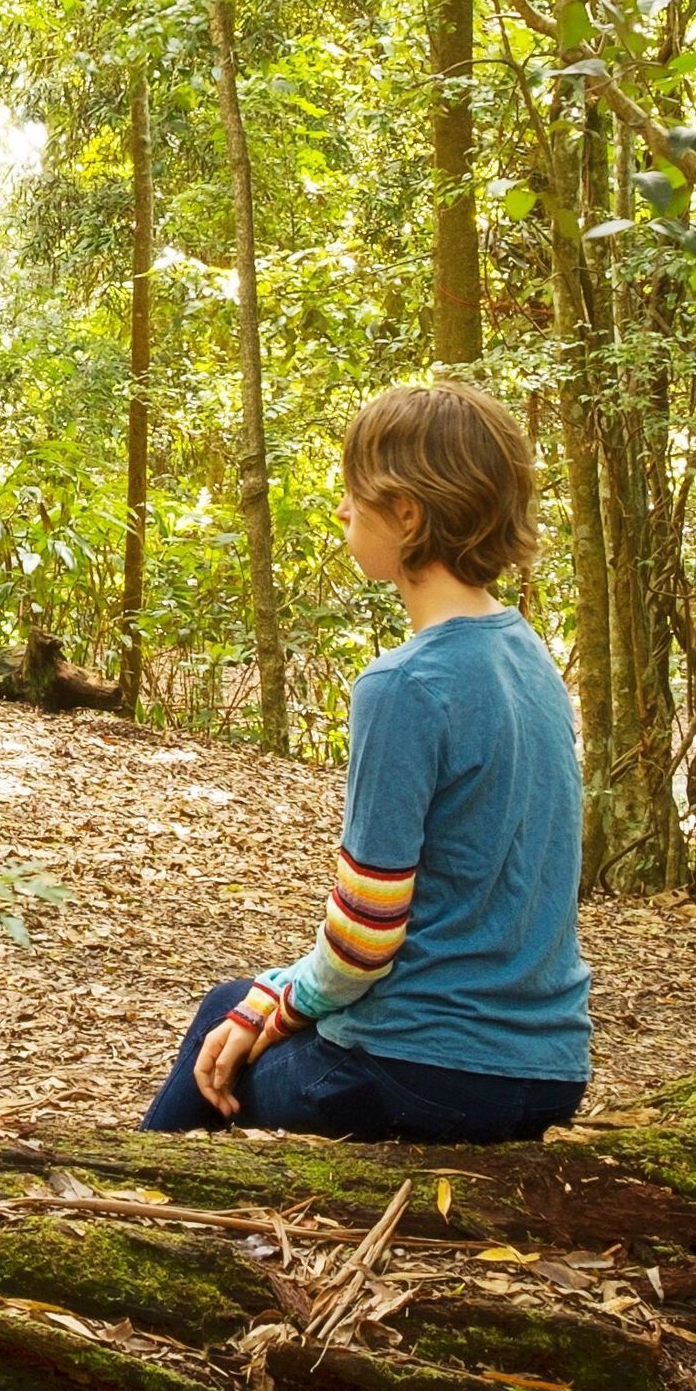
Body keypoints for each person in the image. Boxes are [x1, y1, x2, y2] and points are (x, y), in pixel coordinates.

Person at [142, 380, 591, 1143]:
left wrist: (277, 1003)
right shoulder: (528, 654)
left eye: (354, 493)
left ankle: (118, 1187)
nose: (344, 511)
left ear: (407, 513)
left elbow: (363, 940)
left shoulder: (404, 683)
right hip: (551, 1071)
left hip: (422, 1074)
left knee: (227, 1016)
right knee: (238, 1001)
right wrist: (280, 991)